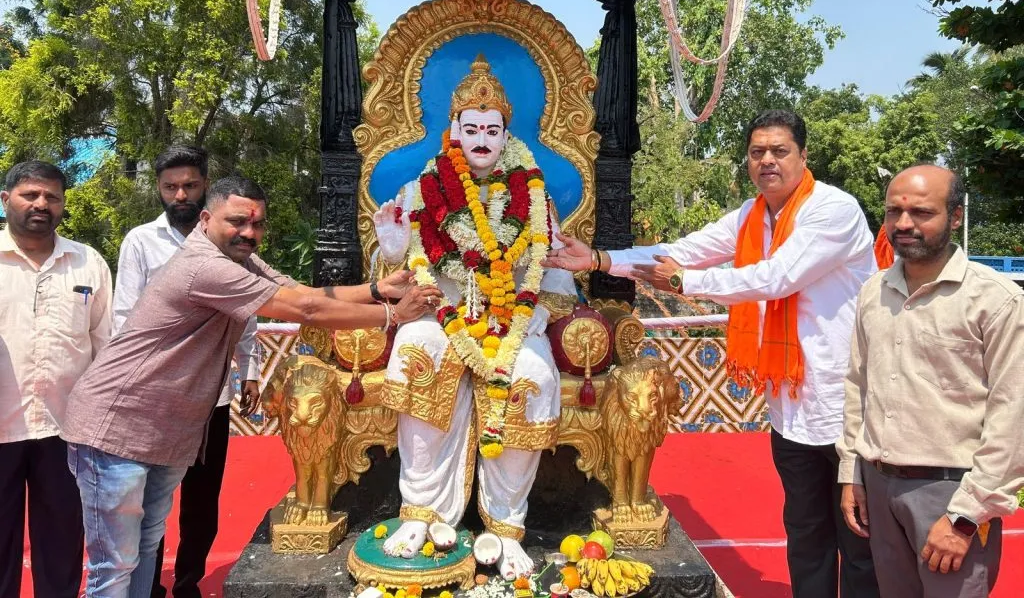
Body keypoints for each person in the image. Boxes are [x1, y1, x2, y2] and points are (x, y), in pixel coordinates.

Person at [544, 109, 880, 598]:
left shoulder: (833, 210)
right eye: (757, 152)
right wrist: (600, 259)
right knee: (806, 532)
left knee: (858, 537)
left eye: (780, 151)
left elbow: (776, 278)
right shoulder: (751, 217)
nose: (767, 160)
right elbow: (682, 251)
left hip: (845, 400)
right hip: (790, 404)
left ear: (803, 156)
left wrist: (685, 281)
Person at [62, 174, 442, 597]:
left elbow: (303, 292)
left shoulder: (238, 260)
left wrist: (377, 289)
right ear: (206, 219)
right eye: (237, 221)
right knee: (115, 564)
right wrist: (393, 316)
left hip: (166, 431)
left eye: (257, 224)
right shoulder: (205, 266)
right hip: (117, 425)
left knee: (146, 545)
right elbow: (306, 310)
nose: (249, 232)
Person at [371, 55, 578, 579]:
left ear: (506, 133)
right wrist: (391, 246)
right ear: (454, 132)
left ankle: (506, 525)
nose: (481, 139)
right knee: (416, 352)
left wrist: (539, 310)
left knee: (531, 375)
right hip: (439, 312)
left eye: (491, 129)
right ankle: (420, 512)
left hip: (513, 316)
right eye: (472, 129)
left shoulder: (535, 198)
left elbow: (555, 270)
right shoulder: (421, 191)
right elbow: (397, 269)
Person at [838, 165, 1024, 598]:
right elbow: (858, 387)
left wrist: (965, 517)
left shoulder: (995, 300)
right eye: (894, 212)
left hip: (952, 494)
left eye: (922, 212)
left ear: (955, 217)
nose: (904, 224)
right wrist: (852, 473)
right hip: (879, 488)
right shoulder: (873, 292)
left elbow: (1013, 418)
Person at [112, 146, 260, 598]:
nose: (180, 195)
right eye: (170, 186)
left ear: (205, 186)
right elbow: (124, 317)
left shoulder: (230, 239)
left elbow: (248, 309)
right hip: (156, 395)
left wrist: (250, 370)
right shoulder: (141, 241)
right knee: (148, 499)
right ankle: (149, 586)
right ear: (158, 189)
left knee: (202, 496)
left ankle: (188, 582)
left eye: (190, 185)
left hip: (211, 395)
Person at [0, 160, 113, 598]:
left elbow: (105, 347)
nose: (41, 204)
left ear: (64, 205)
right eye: (30, 195)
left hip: (66, 431)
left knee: (62, 546)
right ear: (6, 199)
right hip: (1, 426)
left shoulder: (87, 263)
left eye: (52, 197)